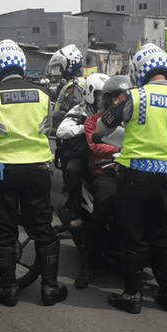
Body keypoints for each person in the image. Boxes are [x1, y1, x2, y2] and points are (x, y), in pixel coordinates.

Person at [0, 40, 67, 307]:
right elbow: (48, 127)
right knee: (43, 228)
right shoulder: (43, 93)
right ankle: (50, 289)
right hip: (38, 169)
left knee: (4, 229)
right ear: (21, 64)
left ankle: (8, 290)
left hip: (3, 170)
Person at [93, 43, 167, 314]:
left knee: (134, 239)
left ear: (140, 70)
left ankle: (132, 296)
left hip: (133, 178)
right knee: (164, 237)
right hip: (164, 180)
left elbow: (104, 126)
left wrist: (99, 133)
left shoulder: (134, 97)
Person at [72, 74, 133, 289]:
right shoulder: (93, 122)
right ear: (106, 100)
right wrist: (122, 148)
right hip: (105, 172)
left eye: (123, 97)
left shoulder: (134, 120)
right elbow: (96, 146)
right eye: (115, 98)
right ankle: (85, 267)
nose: (119, 101)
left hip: (131, 171)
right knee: (101, 211)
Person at [56, 73, 109, 242]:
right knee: (72, 170)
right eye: (100, 95)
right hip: (83, 155)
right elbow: (62, 130)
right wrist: (85, 128)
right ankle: (75, 213)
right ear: (90, 94)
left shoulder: (112, 111)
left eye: (105, 96)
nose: (103, 100)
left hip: (106, 155)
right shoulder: (80, 110)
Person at [50, 44, 85, 135]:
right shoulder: (79, 82)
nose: (60, 72)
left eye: (61, 68)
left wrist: (47, 113)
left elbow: (65, 112)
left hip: (66, 133)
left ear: (68, 65)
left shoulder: (74, 86)